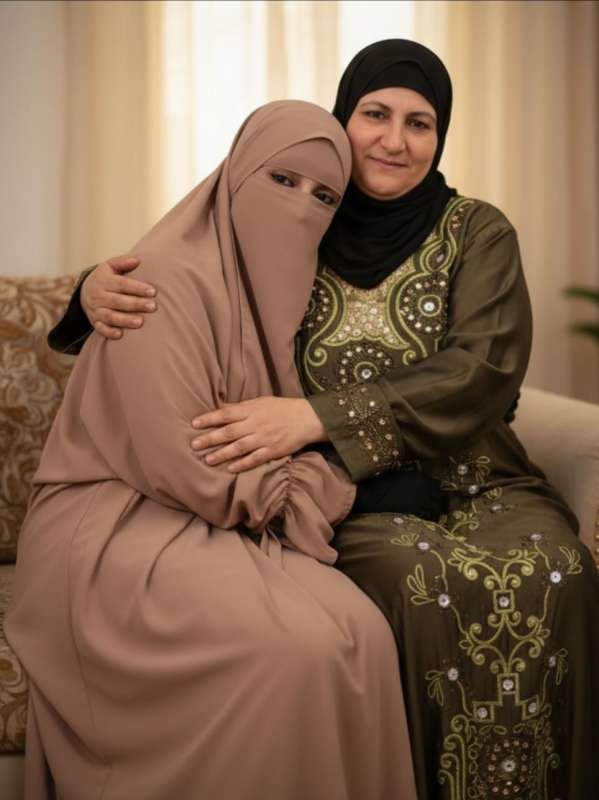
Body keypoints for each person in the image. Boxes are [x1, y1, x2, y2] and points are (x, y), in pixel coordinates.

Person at [48, 40, 599, 800]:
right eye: (375, 114)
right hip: (352, 491)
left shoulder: (477, 231)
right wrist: (88, 290)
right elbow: (193, 262)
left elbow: (485, 367)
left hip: (482, 480)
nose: (394, 140)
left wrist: (315, 417)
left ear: (440, 137)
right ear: (342, 119)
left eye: (419, 124)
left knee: (559, 569)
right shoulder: (298, 214)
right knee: (415, 584)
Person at [6, 100, 420, 800]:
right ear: (236, 175)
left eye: (324, 196)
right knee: (295, 650)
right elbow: (189, 462)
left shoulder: (296, 289)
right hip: (112, 524)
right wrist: (330, 488)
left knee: (364, 633)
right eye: (281, 179)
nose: (300, 206)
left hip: (213, 518)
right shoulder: (156, 280)